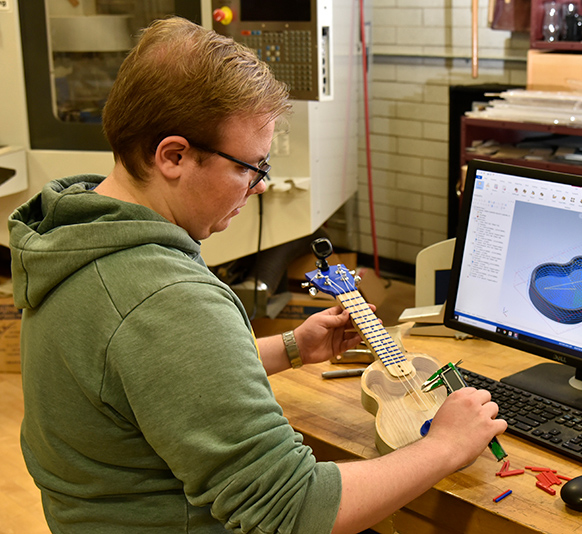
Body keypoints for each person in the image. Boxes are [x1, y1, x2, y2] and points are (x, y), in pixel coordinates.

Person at [8, 16, 506, 534]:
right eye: (250, 167)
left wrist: (292, 347)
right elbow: (293, 510)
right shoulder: (164, 298)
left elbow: (147, 377)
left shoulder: (75, 235)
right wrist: (445, 446)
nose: (260, 187)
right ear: (174, 156)